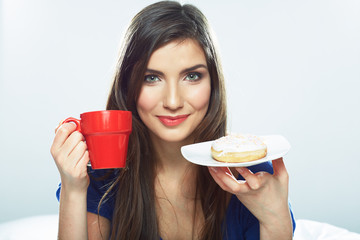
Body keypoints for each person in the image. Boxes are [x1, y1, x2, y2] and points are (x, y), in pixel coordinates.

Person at [51, 1, 295, 239]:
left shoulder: (251, 178)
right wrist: (73, 189)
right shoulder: (102, 179)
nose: (173, 101)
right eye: (151, 78)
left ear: (213, 83)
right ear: (128, 86)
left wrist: (275, 219)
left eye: (191, 76)